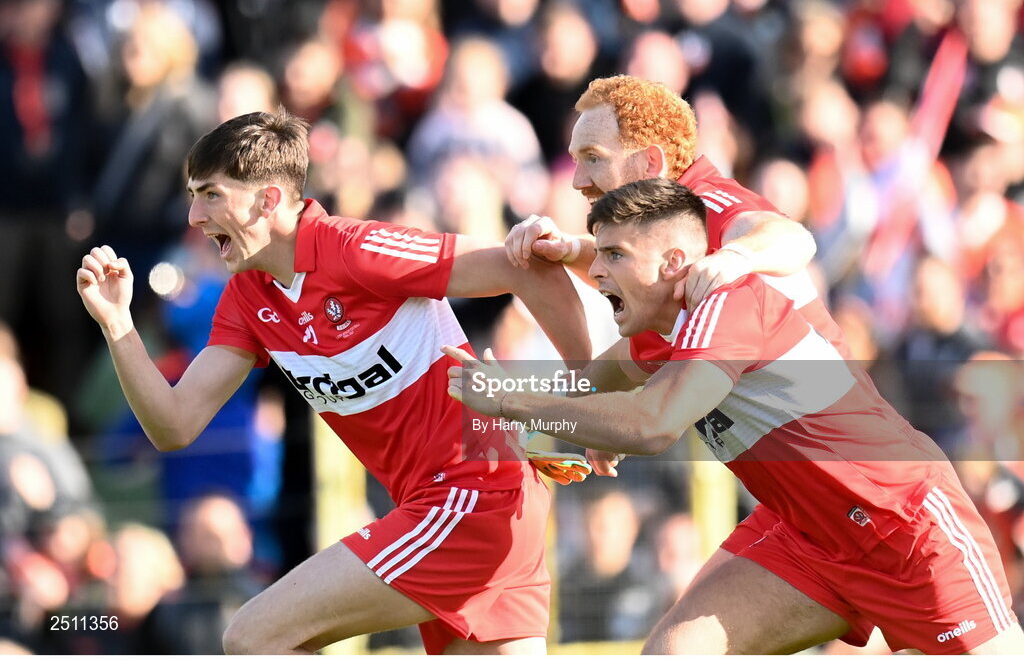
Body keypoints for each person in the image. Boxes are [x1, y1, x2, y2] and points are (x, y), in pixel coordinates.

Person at [76, 110, 591, 654]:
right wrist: (119, 326)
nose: (194, 215)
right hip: (461, 504)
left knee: (253, 637)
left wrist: (594, 407)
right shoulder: (250, 298)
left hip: (475, 495)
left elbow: (524, 267)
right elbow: (174, 426)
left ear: (269, 199)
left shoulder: (355, 250)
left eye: (210, 195)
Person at [445, 178, 1024, 654]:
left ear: (675, 261)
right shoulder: (661, 330)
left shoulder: (730, 303)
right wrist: (513, 397)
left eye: (615, 256)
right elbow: (583, 391)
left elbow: (652, 424)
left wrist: (513, 402)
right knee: (675, 651)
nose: (596, 273)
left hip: (906, 526)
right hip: (808, 537)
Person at [505, 73, 829, 605]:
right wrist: (569, 253)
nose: (577, 180)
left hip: (863, 487)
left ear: (651, 165)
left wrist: (735, 257)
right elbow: (608, 372)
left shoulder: (705, 208)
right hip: (797, 509)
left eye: (592, 157)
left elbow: (794, 238)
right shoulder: (671, 264)